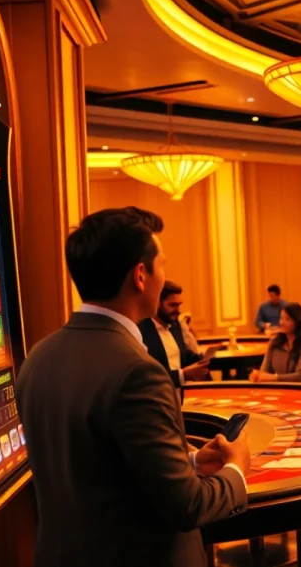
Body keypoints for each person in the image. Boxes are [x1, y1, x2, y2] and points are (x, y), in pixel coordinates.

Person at [15, 207, 249, 567]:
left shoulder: (38, 356)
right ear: (141, 275)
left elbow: (95, 465)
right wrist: (236, 469)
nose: (164, 275)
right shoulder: (139, 372)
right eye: (163, 264)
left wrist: (189, 460)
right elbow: (187, 506)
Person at [139, 281, 211, 392]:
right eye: (173, 305)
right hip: (157, 397)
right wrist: (183, 375)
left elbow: (183, 355)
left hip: (178, 396)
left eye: (179, 305)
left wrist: (204, 359)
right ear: (157, 303)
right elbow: (149, 375)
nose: (178, 311)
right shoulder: (142, 330)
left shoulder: (175, 324)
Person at [251, 302, 301, 383]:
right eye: (281, 318)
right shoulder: (274, 342)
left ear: (298, 322)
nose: (282, 322)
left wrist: (275, 377)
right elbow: (264, 370)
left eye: (287, 319)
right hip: (277, 390)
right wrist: (258, 375)